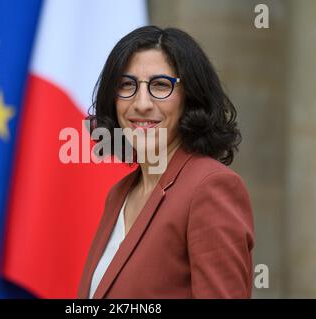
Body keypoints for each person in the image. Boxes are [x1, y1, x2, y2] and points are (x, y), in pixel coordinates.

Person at [77, 26, 254, 299]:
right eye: (127, 85)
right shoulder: (119, 194)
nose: (142, 103)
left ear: (190, 97)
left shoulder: (210, 188)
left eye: (160, 85)